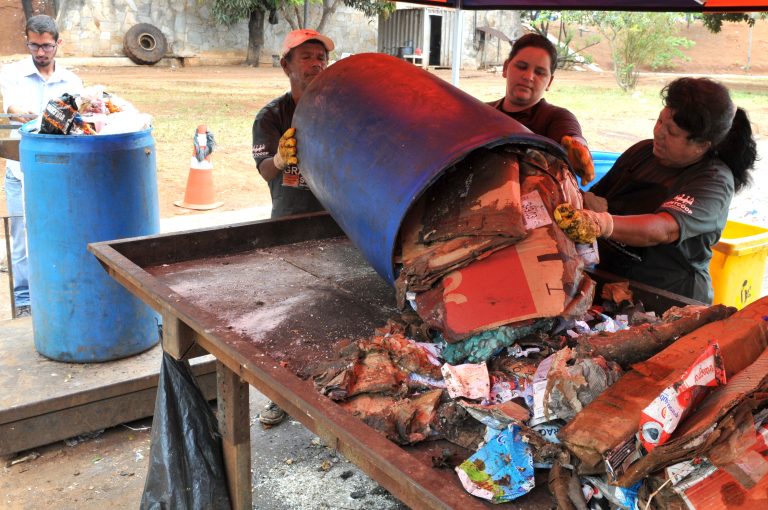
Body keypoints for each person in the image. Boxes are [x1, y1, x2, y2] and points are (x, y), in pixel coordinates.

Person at [557, 77, 757, 304]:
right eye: (660, 121)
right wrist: (581, 196)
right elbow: (595, 198)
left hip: (671, 297)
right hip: (611, 282)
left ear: (701, 145)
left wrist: (603, 223)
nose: (659, 133)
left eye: (671, 132)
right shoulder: (642, 152)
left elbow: (663, 229)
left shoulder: (713, 181)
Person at [250, 29, 334, 425]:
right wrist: (282, 160)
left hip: (336, 221)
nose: (317, 63)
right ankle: (281, 395)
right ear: (286, 65)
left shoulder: (340, 110)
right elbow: (264, 169)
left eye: (321, 56)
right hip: (290, 223)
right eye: (307, 57)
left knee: (333, 309)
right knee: (289, 316)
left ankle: (330, 389)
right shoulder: (271, 117)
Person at [1, 14, 83, 318]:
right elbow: (13, 109)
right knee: (22, 240)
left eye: (46, 46)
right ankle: (24, 300)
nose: (40, 52)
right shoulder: (12, 74)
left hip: (62, 174)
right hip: (20, 172)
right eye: (34, 45)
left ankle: (60, 292)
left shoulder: (72, 82)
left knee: (63, 232)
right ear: (27, 42)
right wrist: (36, 116)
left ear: (57, 43)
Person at [489, 33, 594, 186]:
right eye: (521, 66)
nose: (528, 76)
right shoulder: (481, 112)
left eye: (539, 72)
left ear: (549, 81)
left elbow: (570, 136)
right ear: (505, 68)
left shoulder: (556, 117)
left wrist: (578, 148)